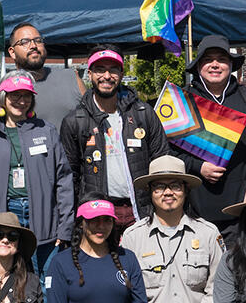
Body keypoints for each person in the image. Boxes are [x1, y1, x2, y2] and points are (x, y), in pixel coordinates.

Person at [120, 156, 222, 303]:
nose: (168, 192)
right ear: (151, 192)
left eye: (175, 185)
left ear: (186, 191)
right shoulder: (133, 237)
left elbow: (216, 290)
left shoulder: (208, 233)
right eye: (160, 186)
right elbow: (127, 295)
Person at [177, 35, 246, 231]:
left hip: (242, 213)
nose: (215, 65)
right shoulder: (184, 102)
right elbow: (166, 151)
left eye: (222, 59)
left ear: (231, 65)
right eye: (208, 60)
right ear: (199, 65)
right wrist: (197, 167)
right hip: (195, 214)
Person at [60, 44, 169, 229]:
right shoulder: (75, 120)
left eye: (113, 70)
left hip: (141, 209)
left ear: (121, 73)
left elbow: (162, 161)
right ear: (90, 73)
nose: (107, 76)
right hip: (99, 212)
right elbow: (70, 177)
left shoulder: (143, 112)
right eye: (100, 70)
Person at [0, 71, 74, 272]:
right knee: (8, 276)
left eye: (26, 95)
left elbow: (64, 180)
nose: (21, 101)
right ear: (4, 98)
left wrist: (65, 227)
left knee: (46, 280)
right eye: (15, 95)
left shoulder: (47, 131)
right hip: (6, 215)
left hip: (44, 217)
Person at [0, 22, 85, 128]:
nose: (33, 46)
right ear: (12, 52)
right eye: (24, 42)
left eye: (38, 40)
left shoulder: (71, 78)